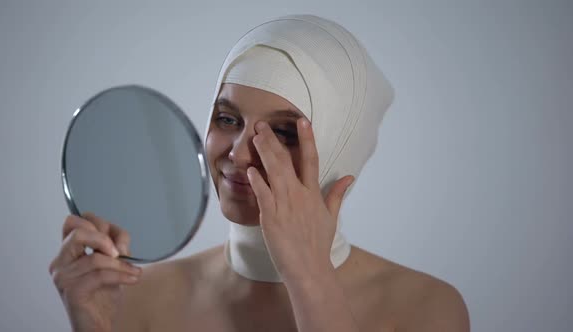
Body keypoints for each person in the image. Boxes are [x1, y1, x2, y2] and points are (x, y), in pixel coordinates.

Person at [49, 14, 469, 332]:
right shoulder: (137, 297)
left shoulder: (427, 309)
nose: (239, 153)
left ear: (343, 150)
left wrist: (309, 278)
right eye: (228, 119)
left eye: (283, 133)